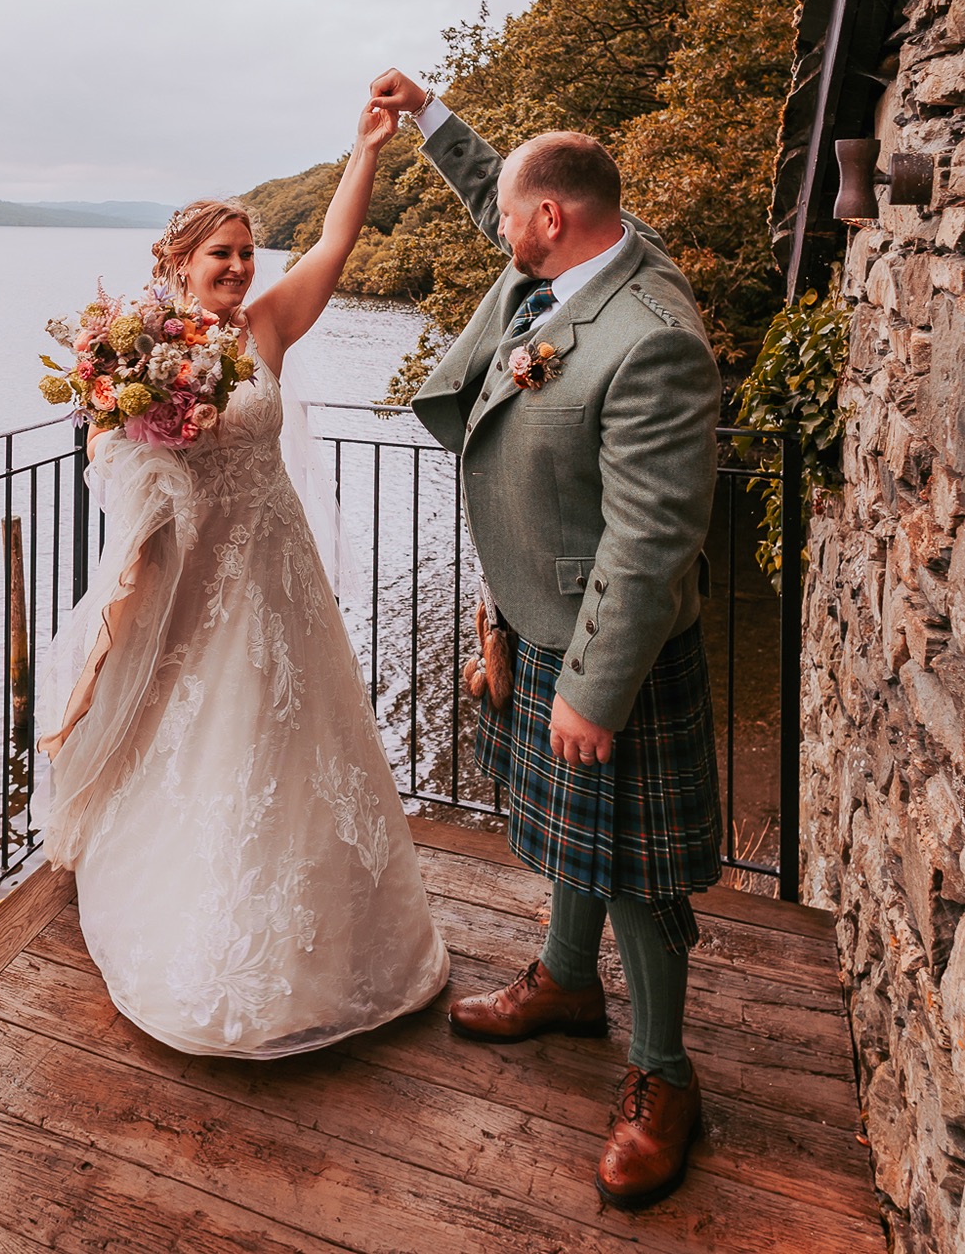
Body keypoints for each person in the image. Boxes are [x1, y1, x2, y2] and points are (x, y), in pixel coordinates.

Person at [371, 67, 723, 1210]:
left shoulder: (649, 338)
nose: (500, 230)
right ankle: (568, 984)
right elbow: (504, 197)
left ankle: (663, 1076)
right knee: (571, 843)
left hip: (601, 647)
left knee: (633, 872)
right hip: (537, 616)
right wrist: (431, 119)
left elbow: (652, 536)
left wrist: (595, 688)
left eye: (513, 218)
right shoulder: (588, 245)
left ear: (552, 222)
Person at [36, 100, 450, 1059]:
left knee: (295, 739)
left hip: (278, 569)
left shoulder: (260, 332)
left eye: (245, 252)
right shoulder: (141, 355)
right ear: (178, 264)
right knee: (205, 738)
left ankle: (335, 945)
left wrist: (368, 151)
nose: (235, 268)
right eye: (218, 254)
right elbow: (113, 458)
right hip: (197, 575)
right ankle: (208, 935)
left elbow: (336, 248)